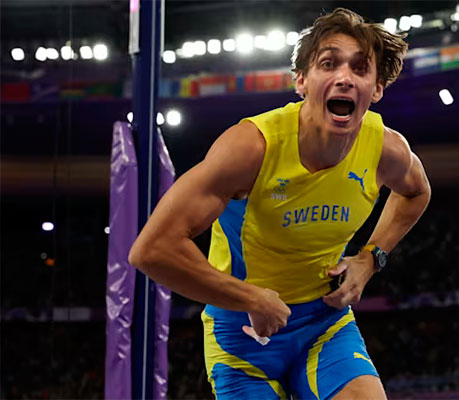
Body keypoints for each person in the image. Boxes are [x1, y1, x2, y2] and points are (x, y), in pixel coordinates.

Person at [129, 7, 431, 400]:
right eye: (329, 64)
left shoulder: (386, 148)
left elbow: (416, 192)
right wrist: (249, 297)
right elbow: (151, 249)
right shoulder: (251, 147)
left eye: (360, 68)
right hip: (242, 334)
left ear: (376, 89)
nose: (344, 77)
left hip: (324, 323)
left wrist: (372, 257)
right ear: (301, 80)